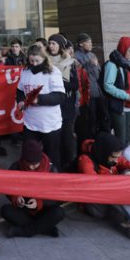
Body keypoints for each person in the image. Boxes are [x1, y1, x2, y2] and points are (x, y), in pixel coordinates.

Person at [0, 140, 65, 238]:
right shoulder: (16, 167)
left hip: (44, 209)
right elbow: (7, 187)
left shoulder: (51, 170)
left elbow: (57, 197)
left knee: (59, 212)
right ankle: (44, 227)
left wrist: (40, 202)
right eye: (28, 163)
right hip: (24, 209)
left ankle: (25, 231)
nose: (31, 167)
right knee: (5, 210)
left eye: (35, 164)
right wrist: (15, 197)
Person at [15, 43, 64, 169]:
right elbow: (20, 90)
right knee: (29, 155)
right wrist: (20, 101)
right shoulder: (26, 71)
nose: (34, 64)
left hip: (50, 123)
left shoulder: (53, 72)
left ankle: (53, 179)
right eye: (31, 61)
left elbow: (60, 96)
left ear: (44, 58)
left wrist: (39, 99)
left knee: (51, 156)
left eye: (37, 60)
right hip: (30, 122)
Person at [46, 34, 79, 169]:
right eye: (50, 43)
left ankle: (69, 167)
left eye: (54, 43)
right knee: (54, 141)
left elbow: (75, 85)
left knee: (67, 139)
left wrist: (59, 84)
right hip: (51, 106)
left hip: (66, 106)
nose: (51, 46)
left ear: (60, 46)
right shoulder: (44, 62)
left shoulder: (69, 63)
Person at [102, 36, 130, 147]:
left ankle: (126, 161)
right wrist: (127, 96)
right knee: (121, 138)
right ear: (123, 49)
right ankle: (119, 161)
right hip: (118, 105)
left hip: (128, 105)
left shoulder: (126, 64)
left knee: (128, 137)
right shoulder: (112, 64)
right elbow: (108, 86)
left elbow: (127, 84)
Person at [74, 32, 108, 144]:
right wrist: (89, 64)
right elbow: (79, 72)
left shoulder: (92, 55)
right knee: (90, 119)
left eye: (90, 42)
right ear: (80, 44)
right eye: (88, 42)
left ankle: (101, 139)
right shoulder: (76, 56)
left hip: (98, 91)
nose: (90, 44)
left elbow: (98, 72)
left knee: (101, 117)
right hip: (87, 93)